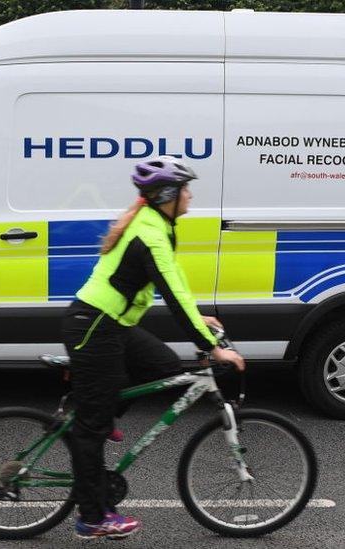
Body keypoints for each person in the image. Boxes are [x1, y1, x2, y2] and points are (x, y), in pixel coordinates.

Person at [62, 156, 246, 540]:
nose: (190, 196)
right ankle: (92, 517)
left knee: (165, 367)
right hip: (95, 327)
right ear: (168, 194)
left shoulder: (158, 225)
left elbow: (175, 285)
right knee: (90, 430)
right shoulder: (149, 232)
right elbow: (171, 294)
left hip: (114, 325)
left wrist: (202, 319)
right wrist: (213, 348)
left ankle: (96, 407)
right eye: (186, 189)